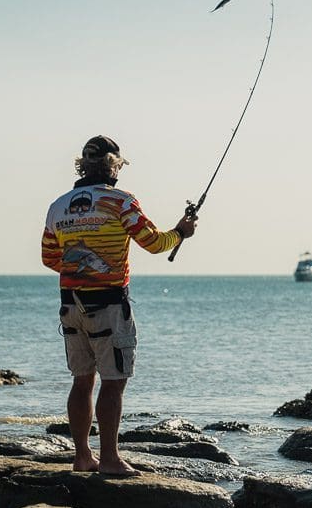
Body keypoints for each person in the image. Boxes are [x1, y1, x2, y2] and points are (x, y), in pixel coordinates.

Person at [42, 135, 197, 474]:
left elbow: (49, 257)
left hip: (70, 306)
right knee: (113, 382)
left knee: (82, 381)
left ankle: (82, 457)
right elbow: (154, 243)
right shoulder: (121, 201)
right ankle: (110, 459)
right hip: (109, 306)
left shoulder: (59, 206)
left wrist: (81, 267)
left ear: (83, 166)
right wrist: (181, 232)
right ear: (113, 166)